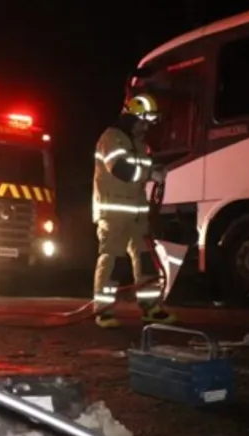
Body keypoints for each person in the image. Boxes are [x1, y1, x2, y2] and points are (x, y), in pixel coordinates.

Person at [91, 93, 177, 328]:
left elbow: (138, 172)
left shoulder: (139, 145)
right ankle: (104, 311)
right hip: (115, 213)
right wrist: (151, 174)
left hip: (138, 215)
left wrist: (155, 170)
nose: (145, 127)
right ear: (131, 118)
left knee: (146, 260)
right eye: (143, 122)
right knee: (113, 261)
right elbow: (120, 168)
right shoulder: (111, 138)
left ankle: (151, 308)